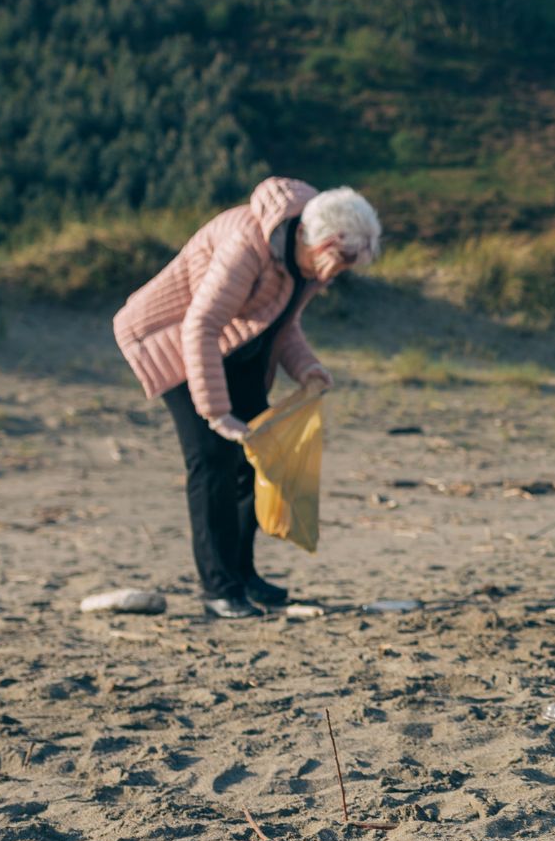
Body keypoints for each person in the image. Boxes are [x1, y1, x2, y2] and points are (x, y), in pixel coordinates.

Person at [113, 177, 379, 619]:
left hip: (234, 348)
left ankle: (243, 574)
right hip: (175, 342)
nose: (341, 275)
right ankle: (219, 588)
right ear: (325, 242)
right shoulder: (247, 245)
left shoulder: (306, 262)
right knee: (212, 460)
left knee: (256, 458)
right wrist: (216, 413)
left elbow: (280, 323)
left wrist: (307, 367)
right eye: (344, 262)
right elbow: (200, 326)